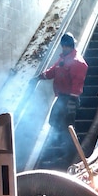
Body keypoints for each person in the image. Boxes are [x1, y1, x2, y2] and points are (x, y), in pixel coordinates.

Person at [37, 32, 88, 167]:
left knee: (68, 127)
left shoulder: (78, 62)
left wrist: (72, 101)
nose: (65, 48)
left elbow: (78, 83)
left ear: (71, 46)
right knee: (54, 121)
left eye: (67, 46)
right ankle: (61, 150)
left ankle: (69, 155)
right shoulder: (63, 59)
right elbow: (53, 71)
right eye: (64, 46)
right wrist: (40, 77)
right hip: (61, 98)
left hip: (69, 99)